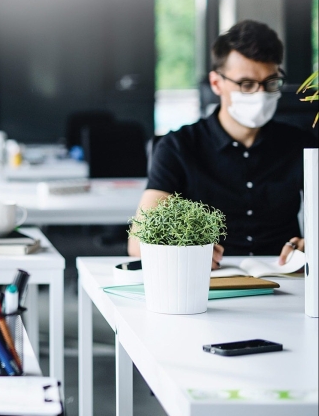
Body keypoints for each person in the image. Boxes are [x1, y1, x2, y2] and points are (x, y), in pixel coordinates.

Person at [128, 20, 318, 267]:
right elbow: (138, 243)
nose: (260, 95)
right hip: (209, 283)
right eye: (247, 85)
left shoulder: (300, 143)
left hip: (287, 282)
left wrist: (311, 243)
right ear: (217, 83)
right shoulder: (178, 146)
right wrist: (187, 252)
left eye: (271, 83)